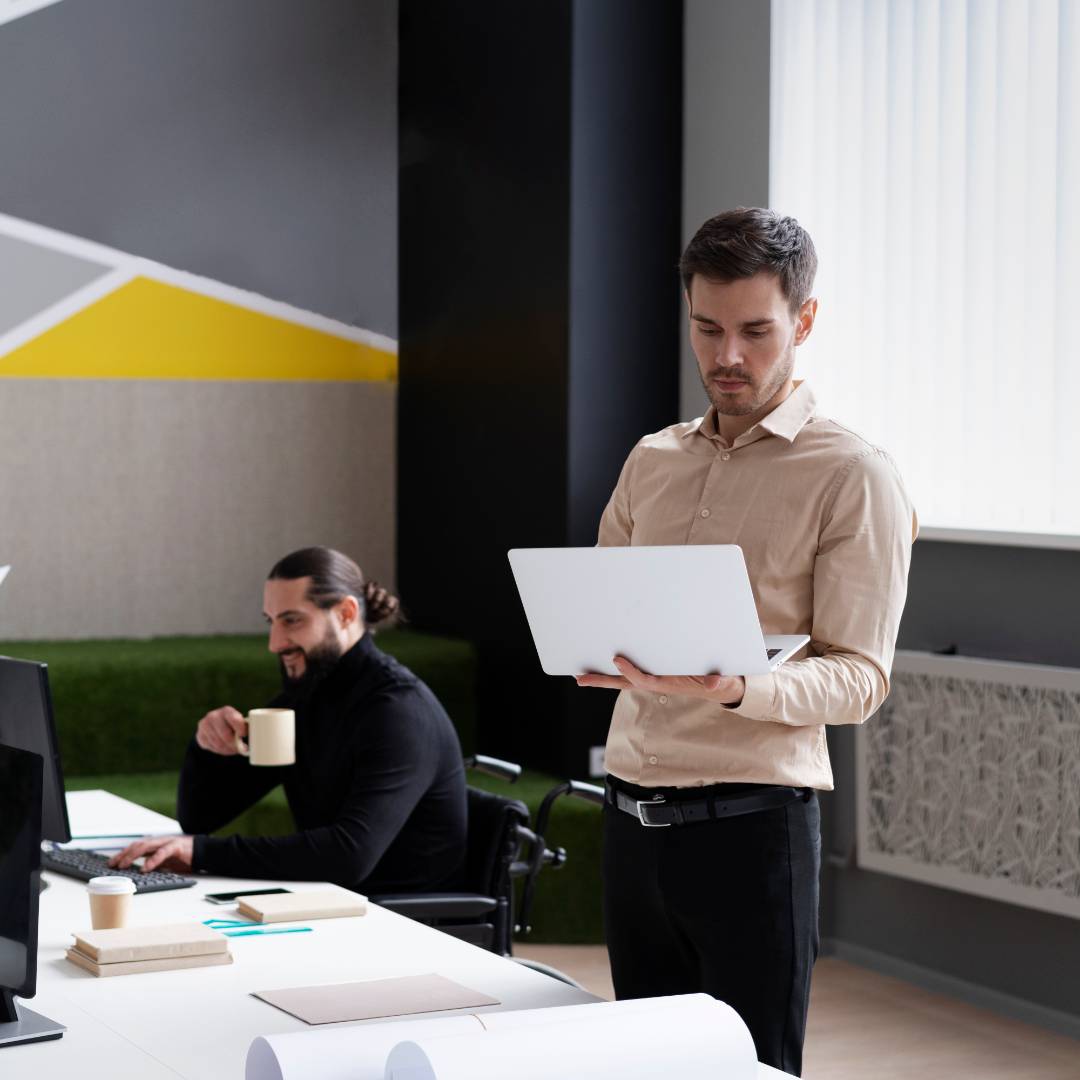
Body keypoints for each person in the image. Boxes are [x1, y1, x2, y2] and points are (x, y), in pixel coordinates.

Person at [576, 208, 917, 1076]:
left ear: (803, 321)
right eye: (708, 329)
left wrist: (736, 688)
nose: (727, 357)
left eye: (756, 331)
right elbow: (609, 603)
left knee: (750, 1070)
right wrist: (586, 642)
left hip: (750, 835)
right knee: (646, 1066)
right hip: (629, 820)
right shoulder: (651, 459)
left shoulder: (853, 474)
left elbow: (860, 678)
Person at [110, 547, 467, 894]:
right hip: (332, 903)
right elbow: (201, 818)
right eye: (271, 621)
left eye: (292, 620)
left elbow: (349, 855)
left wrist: (202, 853)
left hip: (403, 926)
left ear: (345, 613)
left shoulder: (398, 711)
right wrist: (206, 747)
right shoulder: (307, 698)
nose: (275, 643)